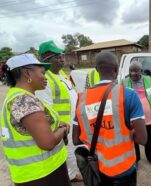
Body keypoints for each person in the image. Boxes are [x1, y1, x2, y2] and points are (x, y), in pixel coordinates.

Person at [73, 51, 147, 186]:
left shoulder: (81, 99)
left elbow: (76, 139)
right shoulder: (128, 94)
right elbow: (142, 139)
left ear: (97, 70)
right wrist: (128, 132)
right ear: (116, 69)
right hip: (124, 169)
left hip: (97, 167)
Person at [0, 54, 70, 186]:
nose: (45, 77)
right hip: (42, 175)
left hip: (39, 172)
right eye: (42, 73)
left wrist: (54, 124)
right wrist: (63, 128)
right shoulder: (23, 100)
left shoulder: (19, 96)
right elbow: (47, 143)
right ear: (27, 73)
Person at [35, 40, 82, 182]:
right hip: (61, 127)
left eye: (62, 55)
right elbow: (46, 109)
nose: (62, 58)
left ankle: (72, 174)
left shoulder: (61, 74)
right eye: (58, 56)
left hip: (72, 122)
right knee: (67, 153)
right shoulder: (45, 80)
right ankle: (69, 177)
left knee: (73, 151)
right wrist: (59, 128)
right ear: (47, 60)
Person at [121, 61, 151, 170]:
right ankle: (136, 159)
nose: (134, 73)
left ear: (141, 70)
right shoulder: (123, 82)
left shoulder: (148, 80)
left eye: (136, 70)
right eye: (131, 70)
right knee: (134, 139)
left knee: (150, 138)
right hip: (132, 119)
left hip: (149, 118)